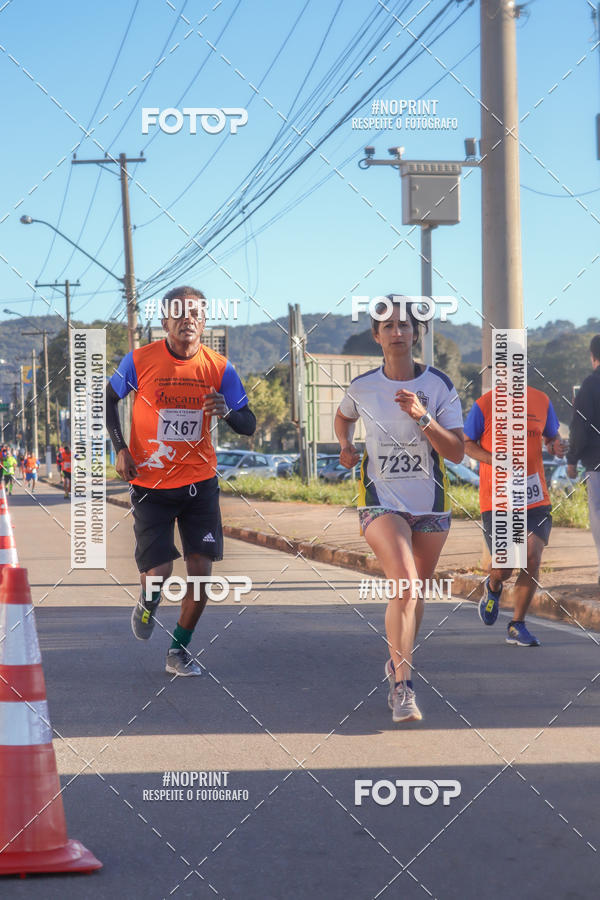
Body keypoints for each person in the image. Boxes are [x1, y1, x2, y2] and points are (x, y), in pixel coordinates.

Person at [106, 286, 256, 676]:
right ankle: (147, 601)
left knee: (202, 576)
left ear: (204, 322)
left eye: (195, 313)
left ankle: (178, 650)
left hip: (199, 484)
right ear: (165, 321)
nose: (187, 318)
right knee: (159, 575)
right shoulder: (139, 361)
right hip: (151, 483)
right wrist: (120, 448)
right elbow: (107, 399)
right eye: (179, 313)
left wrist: (226, 411)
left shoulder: (220, 368)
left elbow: (248, 423)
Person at [335, 296, 464, 723]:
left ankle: (397, 660)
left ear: (416, 333)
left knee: (414, 594)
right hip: (380, 501)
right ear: (376, 336)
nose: (397, 332)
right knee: (406, 585)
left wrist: (423, 417)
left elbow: (458, 452)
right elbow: (343, 416)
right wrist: (346, 445)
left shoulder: (440, 386)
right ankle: (402, 688)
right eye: (388, 326)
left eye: (405, 325)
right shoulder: (363, 386)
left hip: (429, 505)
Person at [464, 384, 566, 646]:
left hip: (534, 496)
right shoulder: (484, 404)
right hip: (497, 499)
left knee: (532, 556)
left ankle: (517, 624)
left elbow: (551, 437)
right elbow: (466, 444)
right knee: (505, 567)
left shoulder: (541, 399)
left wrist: (556, 445)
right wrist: (492, 458)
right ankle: (494, 586)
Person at [567, 334, 600, 584]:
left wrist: (571, 459)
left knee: (598, 516)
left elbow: (580, 428)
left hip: (597, 465)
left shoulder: (590, 385)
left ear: (592, 357)